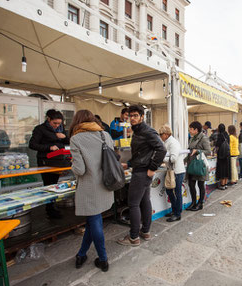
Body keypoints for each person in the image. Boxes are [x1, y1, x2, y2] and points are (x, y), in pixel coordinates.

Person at [69, 109, 113, 272]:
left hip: (89, 187)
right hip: (105, 184)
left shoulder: (76, 139)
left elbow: (79, 170)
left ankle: (103, 259)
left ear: (77, 122)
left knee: (94, 221)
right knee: (92, 221)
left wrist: (71, 164)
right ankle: (81, 254)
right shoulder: (105, 135)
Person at [117, 105, 167, 246]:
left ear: (141, 117)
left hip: (143, 172)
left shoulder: (147, 131)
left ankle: (133, 237)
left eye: (135, 115)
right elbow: (141, 153)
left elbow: (161, 149)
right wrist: (129, 164)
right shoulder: (138, 131)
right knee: (144, 201)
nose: (132, 118)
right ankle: (145, 231)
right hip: (140, 170)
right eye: (130, 116)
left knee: (133, 204)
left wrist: (152, 168)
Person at [29, 109, 69, 219]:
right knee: (48, 184)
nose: (57, 125)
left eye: (59, 123)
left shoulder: (61, 129)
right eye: (54, 123)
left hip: (58, 160)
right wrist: (49, 147)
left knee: (55, 184)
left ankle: (52, 206)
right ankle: (50, 209)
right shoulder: (40, 129)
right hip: (45, 161)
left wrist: (64, 137)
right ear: (48, 119)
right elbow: (32, 144)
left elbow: (68, 142)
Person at [159, 124, 185, 222]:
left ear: (166, 134)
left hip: (177, 171)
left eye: (161, 134)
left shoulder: (173, 143)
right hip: (171, 170)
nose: (160, 136)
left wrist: (161, 158)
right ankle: (175, 210)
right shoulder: (167, 142)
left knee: (177, 192)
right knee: (170, 190)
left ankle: (177, 214)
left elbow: (173, 158)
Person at [185, 121, 211, 210]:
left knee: (200, 184)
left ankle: (200, 203)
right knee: (191, 184)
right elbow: (190, 151)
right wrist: (184, 160)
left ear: (196, 130)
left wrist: (198, 151)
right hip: (191, 165)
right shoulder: (192, 138)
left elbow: (208, 151)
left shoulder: (204, 138)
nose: (189, 131)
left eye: (191, 129)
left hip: (200, 165)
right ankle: (193, 202)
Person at [215, 124, 230, 190]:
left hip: (221, 155)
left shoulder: (220, 135)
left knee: (222, 169)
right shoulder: (227, 134)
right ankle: (226, 184)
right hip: (227, 154)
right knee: (226, 169)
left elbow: (217, 144)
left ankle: (222, 184)